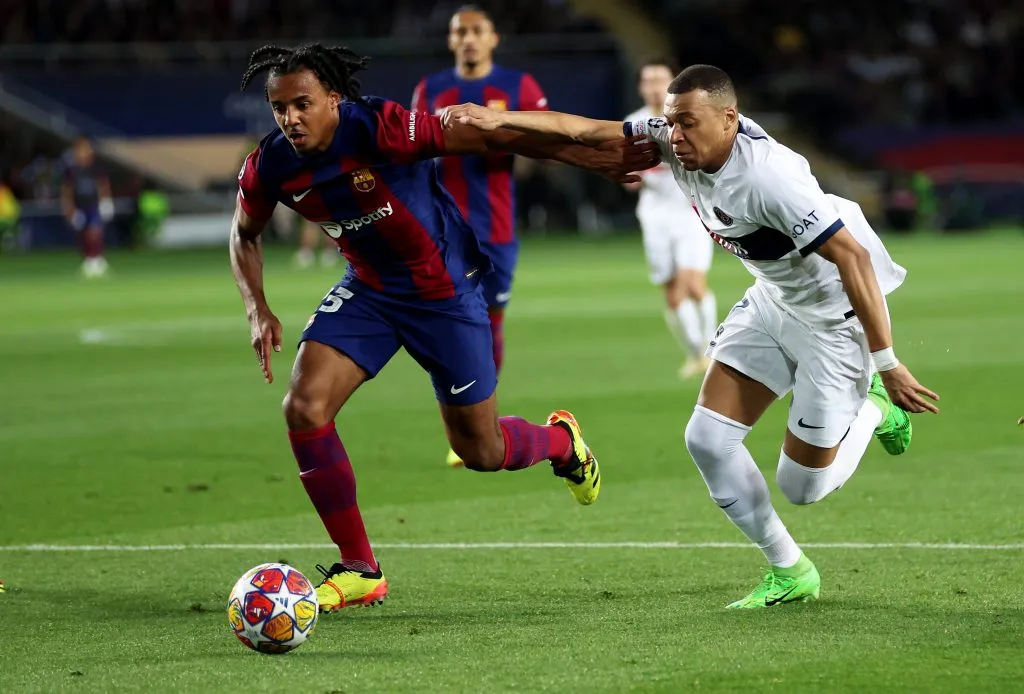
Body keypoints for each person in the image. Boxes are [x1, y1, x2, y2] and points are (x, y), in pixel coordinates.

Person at [444, 64, 940, 609]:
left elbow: (854, 258)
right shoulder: (674, 140)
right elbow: (582, 130)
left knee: (802, 488)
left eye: (688, 123)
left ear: (729, 119)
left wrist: (887, 363)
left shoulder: (769, 178)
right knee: (707, 439)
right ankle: (790, 570)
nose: (675, 136)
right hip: (774, 301)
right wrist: (496, 120)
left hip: (833, 321)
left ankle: (872, 409)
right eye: (670, 122)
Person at [232, 43, 657, 613]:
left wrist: (588, 158)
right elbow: (244, 234)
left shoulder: (382, 128)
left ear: (332, 99)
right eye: (279, 108)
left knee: (480, 449)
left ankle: (562, 443)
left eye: (302, 104)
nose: (290, 119)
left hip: (444, 295)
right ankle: (360, 569)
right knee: (304, 407)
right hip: (370, 292)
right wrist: (257, 306)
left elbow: (495, 136)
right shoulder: (270, 165)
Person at [411, 6, 549, 465]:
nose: (468, 39)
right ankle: (469, 426)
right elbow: (411, 151)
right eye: (460, 32)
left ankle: (483, 424)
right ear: (451, 40)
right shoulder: (430, 90)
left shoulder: (519, 87)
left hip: (496, 228)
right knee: (449, 325)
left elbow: (546, 143)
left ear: (493, 38)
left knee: (491, 321)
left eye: (477, 31)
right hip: (441, 229)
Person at [624, 57, 716, 379]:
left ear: (673, 83)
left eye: (660, 80)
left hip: (690, 211)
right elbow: (628, 173)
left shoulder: (688, 119)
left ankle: (712, 351)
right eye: (647, 81)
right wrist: (628, 175)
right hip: (654, 216)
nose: (653, 87)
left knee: (694, 284)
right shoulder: (633, 124)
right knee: (672, 291)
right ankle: (695, 355)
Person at [62, 136, 114, 278]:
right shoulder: (71, 171)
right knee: (83, 235)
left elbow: (103, 186)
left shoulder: (96, 169)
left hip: (93, 205)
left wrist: (106, 202)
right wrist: (70, 210)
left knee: (95, 231)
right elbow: (67, 192)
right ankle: (89, 260)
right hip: (79, 206)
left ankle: (97, 259)